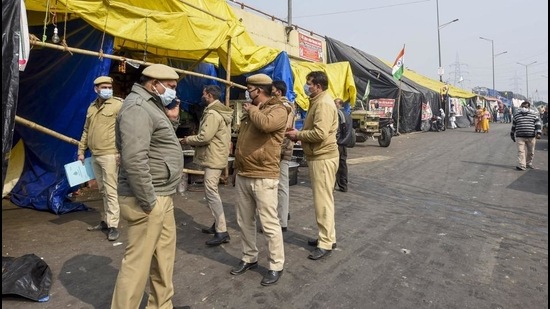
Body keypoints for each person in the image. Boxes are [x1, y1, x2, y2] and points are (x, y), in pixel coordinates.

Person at [111, 64, 183, 309]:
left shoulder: (153, 106)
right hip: (147, 198)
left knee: (164, 260)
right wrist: (148, 201)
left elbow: (159, 143)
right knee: (137, 266)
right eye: (171, 87)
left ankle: (162, 306)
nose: (173, 92)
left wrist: (172, 119)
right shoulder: (137, 108)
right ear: (154, 83)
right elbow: (134, 158)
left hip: (162, 194)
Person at [231, 73, 287, 286]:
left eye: (250, 89)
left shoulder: (278, 109)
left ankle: (276, 264)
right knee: (244, 221)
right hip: (245, 173)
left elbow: (266, 125)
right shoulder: (253, 110)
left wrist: (253, 110)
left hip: (264, 174)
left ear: (259, 90)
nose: (247, 92)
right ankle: (249, 257)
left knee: (269, 223)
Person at [286, 71, 339, 261]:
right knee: (325, 200)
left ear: (318, 86)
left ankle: (325, 242)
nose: (307, 87)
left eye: (309, 84)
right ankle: (327, 237)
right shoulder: (319, 101)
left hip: (323, 157)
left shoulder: (323, 104)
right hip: (321, 156)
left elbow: (320, 134)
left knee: (322, 202)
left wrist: (298, 135)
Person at [180, 85, 234, 246]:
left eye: (204, 94)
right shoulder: (221, 111)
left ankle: (222, 230)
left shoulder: (212, 113)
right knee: (212, 190)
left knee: (211, 191)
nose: (202, 96)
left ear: (209, 95)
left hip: (213, 157)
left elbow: (204, 137)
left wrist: (187, 139)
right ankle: (217, 223)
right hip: (217, 155)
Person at [78, 76, 122, 241]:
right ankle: (105, 220)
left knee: (111, 191)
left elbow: (125, 129)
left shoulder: (118, 104)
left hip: (110, 154)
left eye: (109, 87)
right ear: (96, 89)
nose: (107, 89)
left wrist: (121, 152)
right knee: (103, 190)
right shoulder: (91, 107)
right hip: (95, 155)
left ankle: (113, 226)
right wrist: (81, 150)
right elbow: (86, 130)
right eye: (103, 87)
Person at [272, 80, 295, 232]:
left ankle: (281, 222)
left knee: (281, 186)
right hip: (285, 149)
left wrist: (277, 150)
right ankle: (283, 214)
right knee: (281, 185)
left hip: (282, 150)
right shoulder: (290, 105)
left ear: (278, 92)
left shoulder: (283, 107)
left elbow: (284, 132)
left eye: (272, 90)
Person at [510, 101, 542, 171]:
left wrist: (538, 133)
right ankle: (522, 165)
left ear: (529, 107)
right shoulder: (516, 115)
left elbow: (538, 125)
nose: (524, 108)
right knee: (521, 151)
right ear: (520, 107)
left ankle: (528, 163)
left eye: (526, 107)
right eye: (522, 107)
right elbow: (514, 126)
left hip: (531, 137)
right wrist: (512, 134)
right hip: (520, 137)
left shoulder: (534, 115)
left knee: (531, 152)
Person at [334, 98, 353, 192]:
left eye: (335, 103)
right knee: (342, 164)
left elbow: (337, 130)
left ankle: (333, 185)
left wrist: (336, 141)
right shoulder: (347, 114)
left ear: (339, 104)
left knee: (335, 164)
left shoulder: (338, 114)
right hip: (344, 142)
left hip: (339, 143)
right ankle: (343, 185)